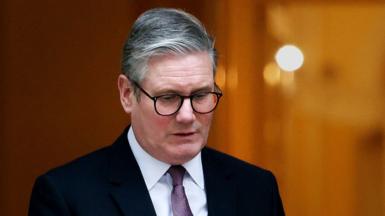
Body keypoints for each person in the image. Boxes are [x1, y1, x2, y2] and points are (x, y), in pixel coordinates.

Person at [28, 8, 285, 216]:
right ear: (127, 94)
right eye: (168, 98)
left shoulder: (257, 189)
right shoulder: (66, 196)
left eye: (200, 95)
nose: (187, 115)